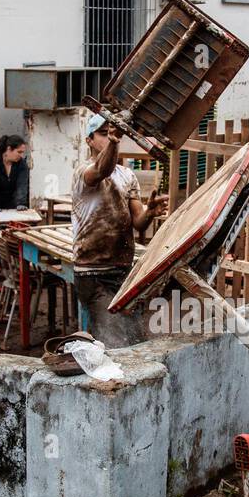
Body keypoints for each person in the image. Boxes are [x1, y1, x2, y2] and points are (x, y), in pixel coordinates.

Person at [71, 114, 166, 348]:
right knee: (114, 341)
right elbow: (102, 170)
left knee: (134, 338)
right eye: (102, 134)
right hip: (92, 272)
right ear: (89, 140)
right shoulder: (83, 172)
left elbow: (138, 222)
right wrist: (114, 142)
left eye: (110, 134)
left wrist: (150, 212)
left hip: (122, 269)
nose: (108, 138)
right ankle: (107, 380)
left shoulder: (127, 176)